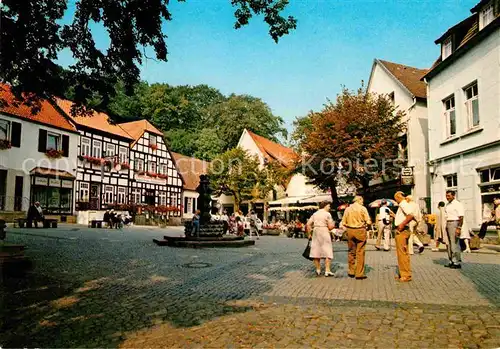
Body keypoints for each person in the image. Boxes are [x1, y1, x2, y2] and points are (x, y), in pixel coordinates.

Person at [341, 196, 371, 280]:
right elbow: (368, 221)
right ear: (359, 200)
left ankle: (351, 271)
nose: (363, 202)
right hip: (360, 230)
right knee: (360, 252)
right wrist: (368, 225)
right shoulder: (363, 208)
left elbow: (343, 222)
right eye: (362, 200)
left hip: (350, 231)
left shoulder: (347, 209)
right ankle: (359, 273)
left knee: (351, 251)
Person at [393, 191, 417, 282]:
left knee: (402, 253)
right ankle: (403, 273)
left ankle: (405, 275)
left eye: (396, 199)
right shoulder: (405, 204)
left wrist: (401, 225)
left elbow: (410, 215)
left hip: (402, 231)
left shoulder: (403, 204)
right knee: (404, 252)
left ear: (398, 197)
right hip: (403, 230)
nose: (396, 201)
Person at [306, 201, 335, 277]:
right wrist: (333, 224)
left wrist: (309, 234)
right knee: (327, 250)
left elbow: (308, 224)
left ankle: (318, 269)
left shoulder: (315, 214)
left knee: (316, 251)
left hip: (316, 232)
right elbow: (330, 227)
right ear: (325, 206)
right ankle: (327, 270)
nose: (329, 207)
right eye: (328, 206)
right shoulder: (327, 214)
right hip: (324, 231)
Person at [444, 191, 465, 269]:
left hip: (455, 223)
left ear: (453, 196)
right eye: (446, 196)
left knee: (454, 243)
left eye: (449, 196)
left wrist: (459, 228)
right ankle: (451, 260)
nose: (447, 197)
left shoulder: (458, 204)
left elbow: (461, 217)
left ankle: (456, 262)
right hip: (448, 223)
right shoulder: (447, 204)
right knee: (448, 243)